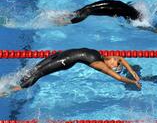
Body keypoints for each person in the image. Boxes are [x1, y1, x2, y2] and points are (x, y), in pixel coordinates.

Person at [9, 48, 141, 92]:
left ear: (112, 67)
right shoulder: (103, 56)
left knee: (37, 74)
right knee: (35, 69)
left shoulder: (101, 65)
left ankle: (8, 91)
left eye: (115, 64)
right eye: (116, 61)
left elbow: (118, 78)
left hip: (66, 61)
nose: (115, 59)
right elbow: (121, 58)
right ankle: (12, 83)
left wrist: (132, 82)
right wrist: (132, 70)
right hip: (62, 54)